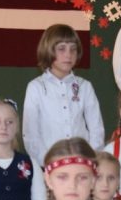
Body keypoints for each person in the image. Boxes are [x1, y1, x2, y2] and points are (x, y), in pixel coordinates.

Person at [22, 24, 104, 167]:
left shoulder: (84, 86)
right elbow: (31, 135)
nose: (68, 55)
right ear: (48, 50)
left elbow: (97, 129)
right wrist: (49, 163)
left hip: (83, 163)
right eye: (61, 49)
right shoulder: (36, 87)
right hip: (50, 166)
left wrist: (89, 160)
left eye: (73, 49)